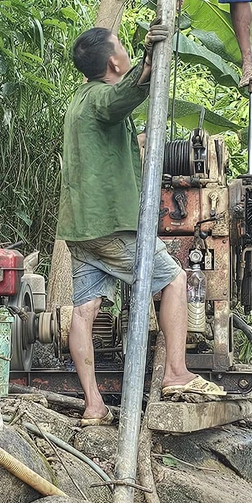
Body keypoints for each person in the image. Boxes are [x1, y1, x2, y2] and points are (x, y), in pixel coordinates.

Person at [56, 23, 224, 424]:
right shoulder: (102, 98)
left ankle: (94, 405)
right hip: (112, 226)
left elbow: (105, 143)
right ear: (115, 61)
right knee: (174, 280)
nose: (127, 55)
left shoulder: (79, 103)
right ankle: (176, 372)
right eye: (124, 51)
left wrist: (139, 142)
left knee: (84, 310)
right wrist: (149, 62)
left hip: (80, 229)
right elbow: (122, 95)